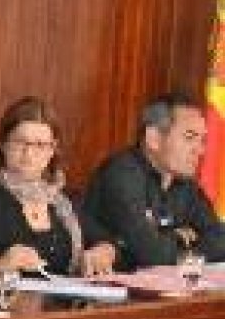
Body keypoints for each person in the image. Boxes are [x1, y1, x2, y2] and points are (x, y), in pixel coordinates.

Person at [0, 97, 117, 276]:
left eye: (40, 145)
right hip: (1, 302)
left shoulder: (64, 201)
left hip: (63, 303)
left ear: (52, 150)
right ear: (1, 143)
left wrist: (102, 253)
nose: (29, 153)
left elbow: (105, 242)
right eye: (20, 142)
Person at [82, 91, 225, 269]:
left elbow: (220, 239)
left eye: (202, 140)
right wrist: (180, 237)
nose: (200, 150)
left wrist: (168, 242)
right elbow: (152, 255)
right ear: (154, 138)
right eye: (189, 137)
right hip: (107, 289)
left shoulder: (185, 181)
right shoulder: (121, 174)